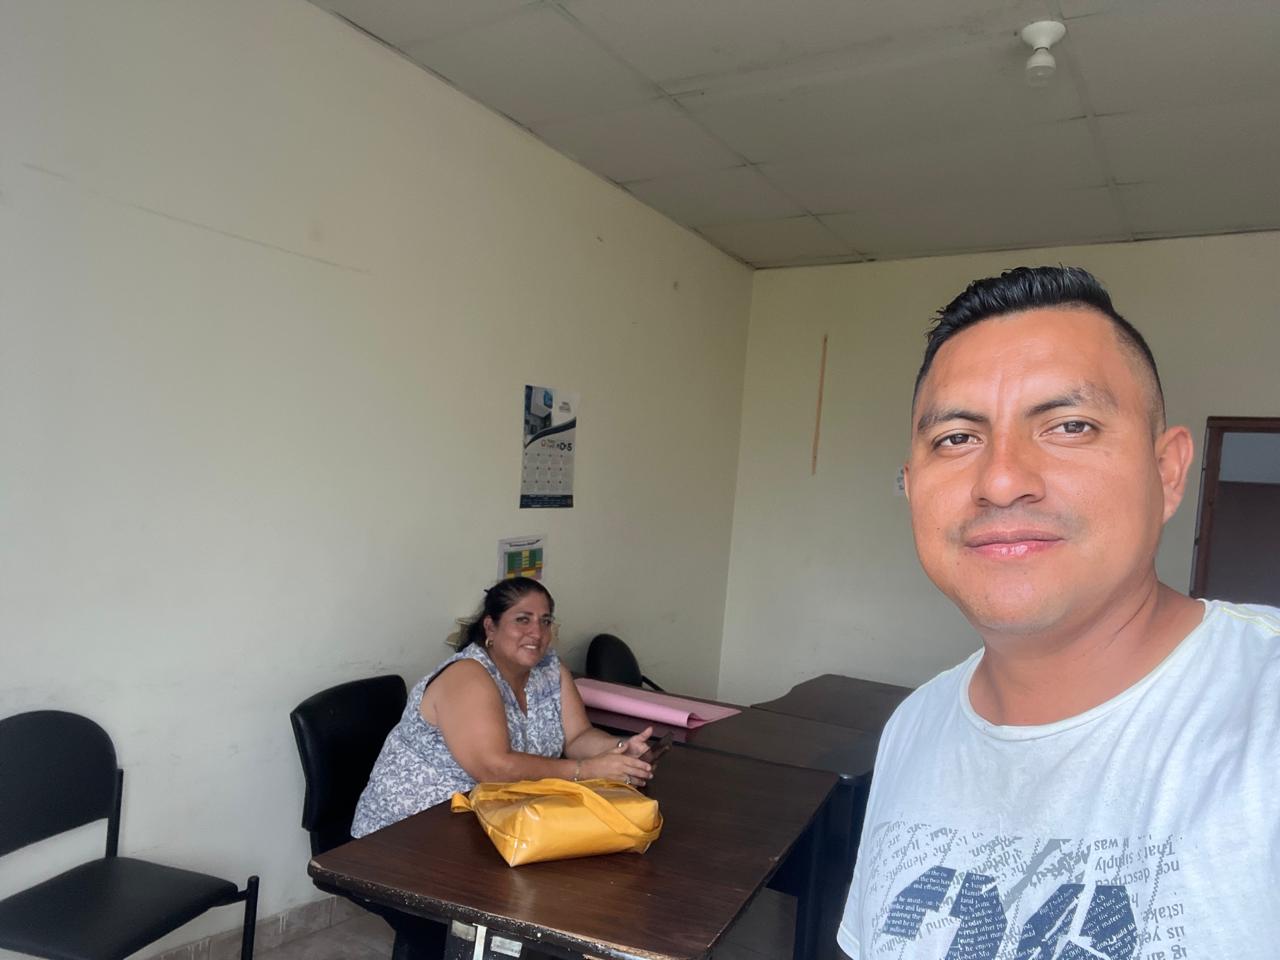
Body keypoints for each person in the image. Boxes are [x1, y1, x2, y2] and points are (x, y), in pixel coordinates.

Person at [838, 266, 1279, 959]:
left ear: (1168, 472)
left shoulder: (1264, 710)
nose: (1001, 480)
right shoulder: (914, 726)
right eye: (956, 438)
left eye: (1070, 426)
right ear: (913, 484)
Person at [353, 576, 655, 838]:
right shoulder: (468, 675)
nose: (537, 632)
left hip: (494, 820)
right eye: (523, 619)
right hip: (410, 832)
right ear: (491, 627)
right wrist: (586, 770)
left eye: (545, 621)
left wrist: (619, 750)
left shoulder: (549, 668)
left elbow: (577, 737)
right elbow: (494, 767)